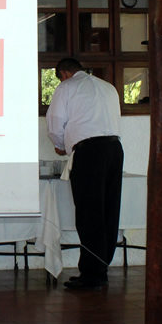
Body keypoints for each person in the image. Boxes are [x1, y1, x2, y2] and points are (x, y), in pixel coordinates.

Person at [45, 58, 124, 290]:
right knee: (109, 211)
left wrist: (60, 144)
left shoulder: (67, 87)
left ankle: (92, 274)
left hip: (89, 152)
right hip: (114, 149)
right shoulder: (108, 87)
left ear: (64, 73)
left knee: (89, 213)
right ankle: (101, 267)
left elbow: (55, 121)